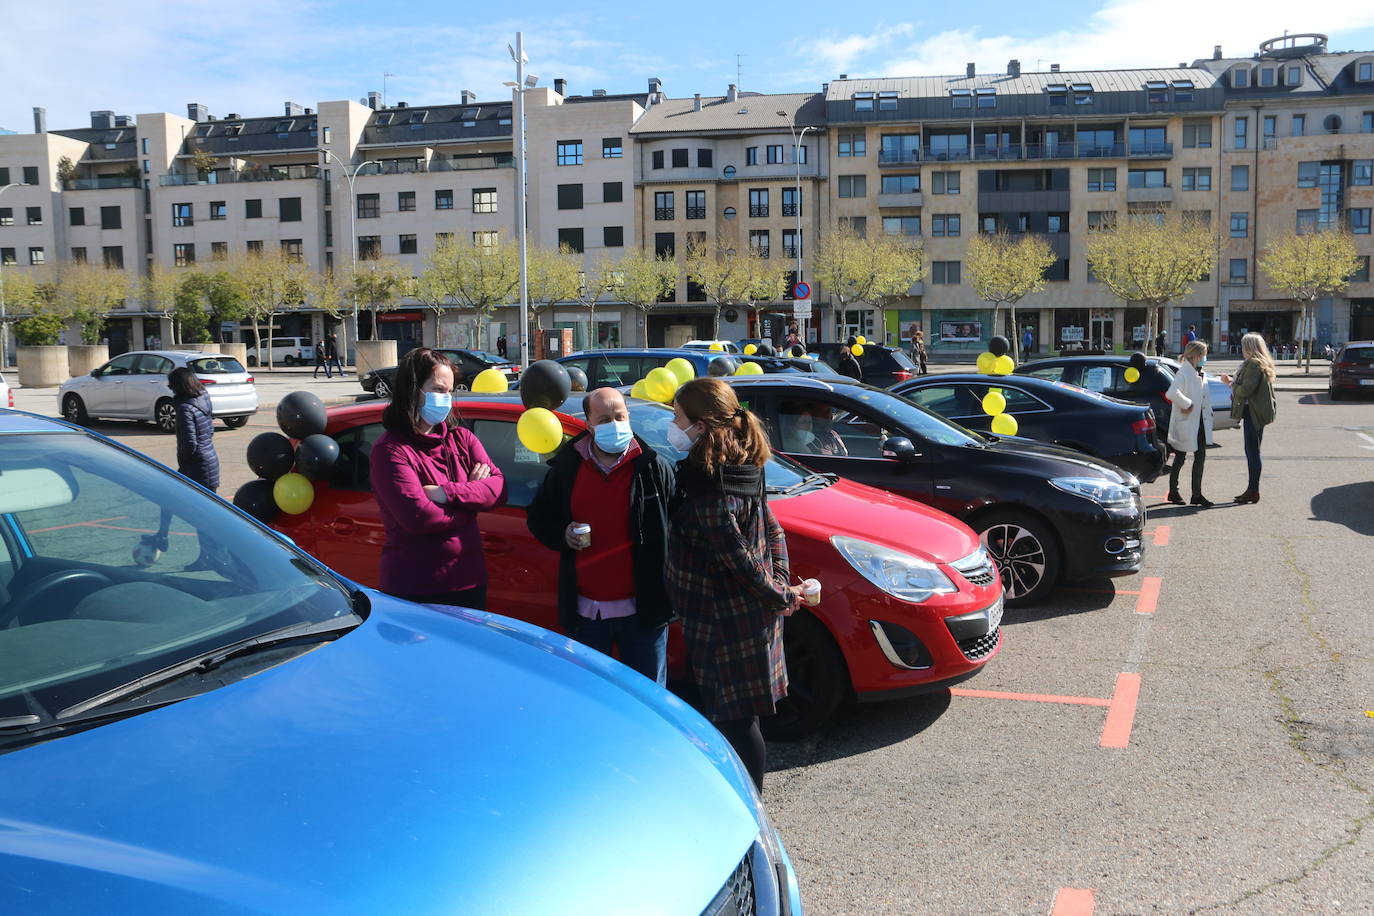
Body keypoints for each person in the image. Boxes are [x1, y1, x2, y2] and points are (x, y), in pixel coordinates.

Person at [665, 378, 803, 789]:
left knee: (736, 723)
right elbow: (773, 531)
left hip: (725, 625)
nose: (673, 425)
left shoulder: (712, 491)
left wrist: (780, 595)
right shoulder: (743, 468)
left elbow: (739, 559)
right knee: (739, 718)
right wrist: (781, 587)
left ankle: (750, 810)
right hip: (744, 617)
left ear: (702, 426)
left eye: (677, 418)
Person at [526, 387, 677, 684]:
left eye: (620, 416)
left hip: (644, 615)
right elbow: (538, 517)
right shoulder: (566, 469)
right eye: (604, 419)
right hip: (586, 616)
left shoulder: (653, 468)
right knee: (591, 697)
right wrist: (562, 533)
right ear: (589, 424)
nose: (615, 425)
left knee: (647, 700)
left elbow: (677, 523)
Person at [370, 348, 507, 607]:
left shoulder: (462, 439)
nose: (445, 398)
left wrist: (449, 493)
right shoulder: (390, 450)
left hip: (469, 582)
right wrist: (471, 503)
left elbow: (499, 489)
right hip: (416, 590)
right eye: (437, 390)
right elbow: (419, 517)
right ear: (413, 390)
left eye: (449, 391)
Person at [1228, 332, 1277, 505]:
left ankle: (1253, 490)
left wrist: (1233, 385)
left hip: (1253, 413)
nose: (1241, 349)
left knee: (1252, 452)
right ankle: (1252, 489)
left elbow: (1246, 389)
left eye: (1243, 345)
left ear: (1249, 347)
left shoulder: (1253, 364)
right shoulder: (1259, 363)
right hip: (1256, 412)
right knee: (1253, 451)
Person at [1163, 341, 1214, 507]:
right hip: (1187, 422)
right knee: (1180, 457)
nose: (1205, 358)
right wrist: (1188, 404)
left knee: (1200, 457)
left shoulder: (1199, 372)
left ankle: (1196, 494)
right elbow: (1171, 393)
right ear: (1196, 356)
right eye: (1203, 355)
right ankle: (1173, 491)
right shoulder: (1184, 371)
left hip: (1199, 423)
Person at [169, 367, 220, 492]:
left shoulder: (185, 409)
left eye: (171, 386)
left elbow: (190, 444)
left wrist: (183, 463)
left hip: (195, 466)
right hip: (210, 460)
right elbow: (210, 430)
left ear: (178, 386)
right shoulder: (203, 398)